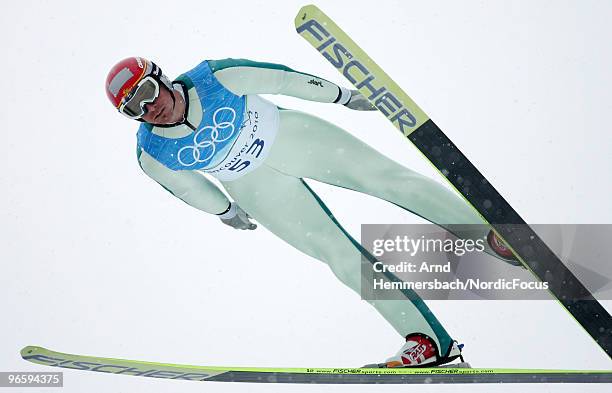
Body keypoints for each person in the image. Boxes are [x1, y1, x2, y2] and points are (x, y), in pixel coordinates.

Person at [105, 57, 515, 367]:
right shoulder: (152, 152)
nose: (148, 108)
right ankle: (429, 344)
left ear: (159, 77)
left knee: (388, 180)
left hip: (290, 137)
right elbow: (185, 186)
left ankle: (494, 238)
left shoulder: (214, 77)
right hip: (255, 186)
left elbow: (282, 79)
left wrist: (341, 96)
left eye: (146, 93)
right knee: (337, 255)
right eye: (134, 109)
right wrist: (224, 210)